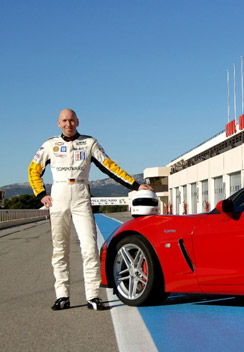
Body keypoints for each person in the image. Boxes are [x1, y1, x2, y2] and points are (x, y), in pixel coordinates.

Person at [28, 108, 153, 311]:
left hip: (81, 196)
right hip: (58, 196)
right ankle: (62, 295)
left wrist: (135, 185)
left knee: (89, 248)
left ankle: (93, 296)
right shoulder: (49, 145)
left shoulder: (89, 143)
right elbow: (33, 169)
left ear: (78, 122)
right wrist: (41, 194)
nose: (68, 124)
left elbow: (110, 166)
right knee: (60, 249)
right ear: (59, 123)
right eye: (64, 121)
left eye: (72, 120)